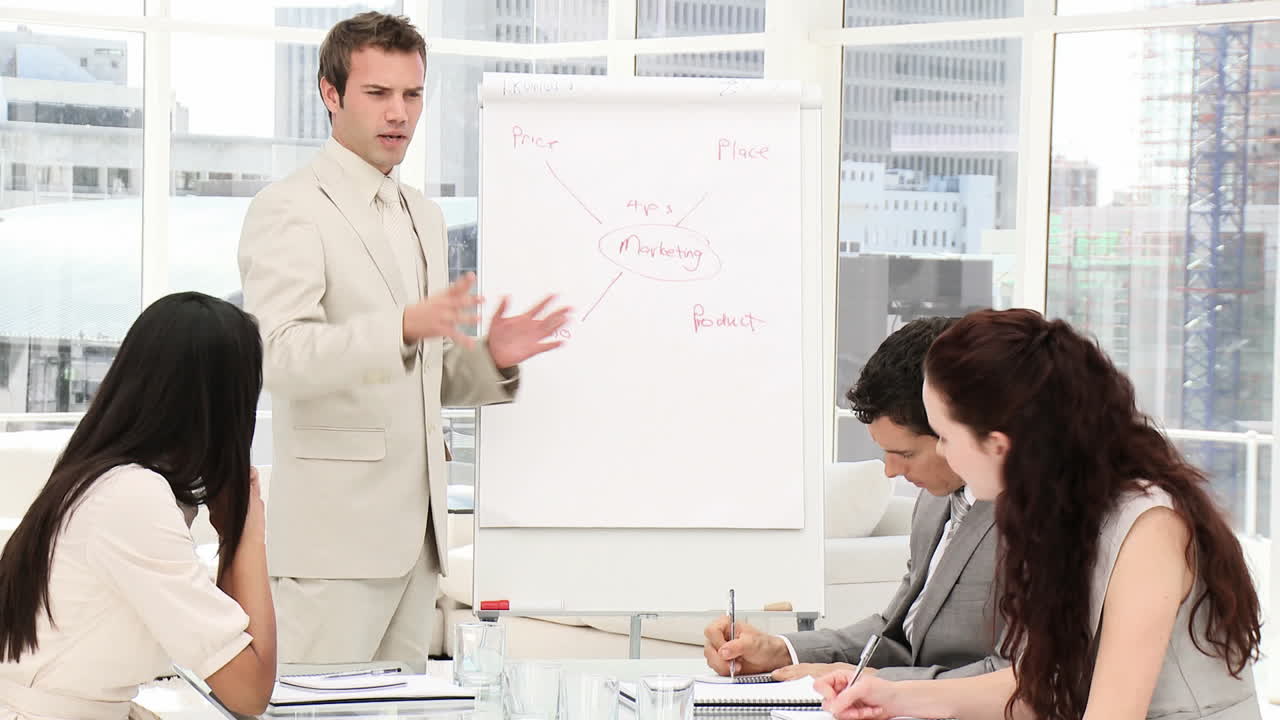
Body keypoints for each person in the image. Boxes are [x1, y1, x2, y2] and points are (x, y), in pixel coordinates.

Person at [238, 11, 569, 668]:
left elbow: (424, 373)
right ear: (330, 94)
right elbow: (281, 357)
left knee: (401, 711)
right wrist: (401, 326)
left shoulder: (425, 215)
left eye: (412, 94)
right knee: (317, 713)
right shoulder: (290, 208)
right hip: (333, 549)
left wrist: (491, 358)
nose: (399, 113)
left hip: (419, 546)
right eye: (377, 93)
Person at [817, 308, 1262, 720]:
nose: (945, 455)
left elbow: (1111, 713)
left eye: (946, 436)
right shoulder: (1056, 510)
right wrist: (894, 696)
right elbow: (1040, 682)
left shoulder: (1149, 528)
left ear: (998, 445)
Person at [0, 292, 276, 718]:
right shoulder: (132, 498)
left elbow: (225, 656)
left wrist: (231, 533)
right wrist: (249, 534)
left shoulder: (98, 478)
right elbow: (249, 691)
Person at [704, 317, 1005, 681]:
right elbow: (898, 636)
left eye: (906, 454)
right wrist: (779, 651)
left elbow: (1019, 678)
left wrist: (876, 684)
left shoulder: (1035, 515)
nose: (890, 471)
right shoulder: (934, 503)